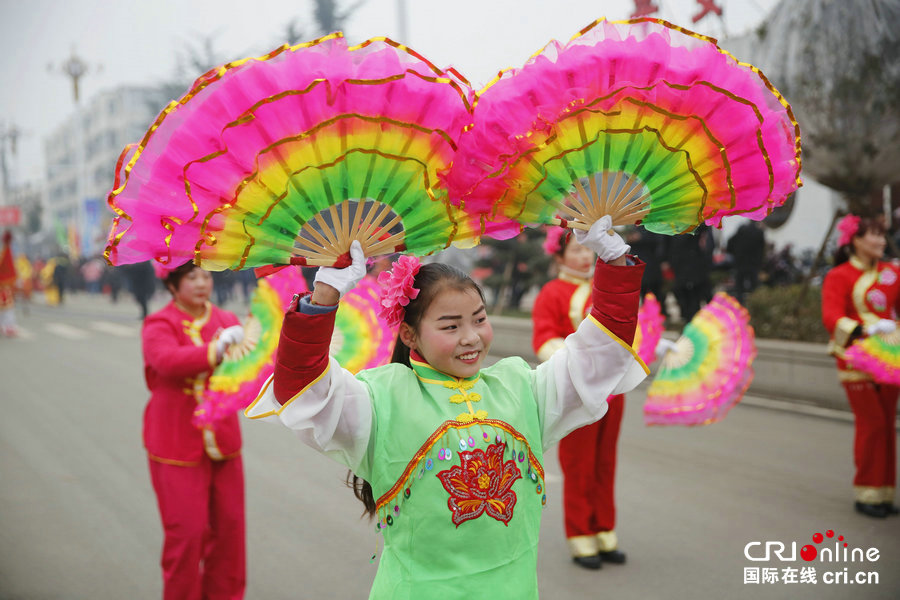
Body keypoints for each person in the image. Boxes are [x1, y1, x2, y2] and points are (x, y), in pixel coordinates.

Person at [246, 217, 648, 598]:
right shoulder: (380, 399)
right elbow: (304, 391)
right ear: (409, 334)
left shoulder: (520, 387)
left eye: (479, 319)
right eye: (451, 326)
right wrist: (324, 297)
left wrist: (614, 263)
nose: (471, 338)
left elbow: (599, 358)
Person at [141, 261, 247, 599]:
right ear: (172, 285)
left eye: (205, 275)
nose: (202, 283)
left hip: (223, 440)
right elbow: (167, 362)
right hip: (175, 442)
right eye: (191, 277)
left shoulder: (227, 321)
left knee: (230, 532)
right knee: (186, 535)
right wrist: (216, 350)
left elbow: (245, 371)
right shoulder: (159, 323)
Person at [532, 226, 628, 570]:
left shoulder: (602, 288)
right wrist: (574, 361)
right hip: (577, 391)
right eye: (576, 249)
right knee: (579, 465)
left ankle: (604, 528)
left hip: (613, 393)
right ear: (559, 256)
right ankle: (580, 534)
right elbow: (544, 337)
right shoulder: (552, 292)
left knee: (606, 463)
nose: (585, 255)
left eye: (588, 249)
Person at [821, 214, 899, 519]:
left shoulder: (892, 273)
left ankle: (884, 493)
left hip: (890, 358)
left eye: (883, 235)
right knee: (872, 424)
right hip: (855, 358)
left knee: (887, 425)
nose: (881, 241)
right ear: (855, 241)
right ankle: (866, 491)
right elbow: (831, 317)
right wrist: (867, 330)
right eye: (875, 236)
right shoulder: (838, 276)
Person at [726, 220, 766, 303]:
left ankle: (741, 304)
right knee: (754, 286)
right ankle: (754, 303)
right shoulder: (759, 232)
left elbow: (730, 242)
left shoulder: (742, 229)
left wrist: (734, 254)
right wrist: (760, 263)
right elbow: (762, 251)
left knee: (739, 287)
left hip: (740, 263)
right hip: (753, 264)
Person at [0, 231, 18, 337]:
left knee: (5, 308)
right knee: (8, 308)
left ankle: (5, 326)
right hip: (4, 287)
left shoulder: (5, 252)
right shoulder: (5, 253)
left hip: (4, 286)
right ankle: (9, 326)